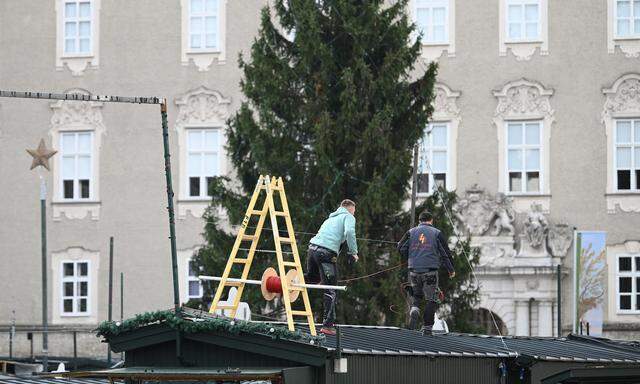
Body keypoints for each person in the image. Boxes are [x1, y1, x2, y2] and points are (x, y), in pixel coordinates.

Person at [305, 199, 359, 335]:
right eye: (354, 211)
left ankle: (285, 282)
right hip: (326, 254)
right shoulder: (348, 216)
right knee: (331, 288)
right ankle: (328, 326)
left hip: (312, 250)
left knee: (312, 278)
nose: (354, 213)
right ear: (350, 209)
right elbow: (350, 232)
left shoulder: (330, 219)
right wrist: (354, 252)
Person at [397, 210, 455, 335]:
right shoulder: (436, 233)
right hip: (430, 271)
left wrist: (411, 257)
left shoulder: (411, 232)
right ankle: (427, 328)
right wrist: (451, 270)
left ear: (419, 221)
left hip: (413, 270)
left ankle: (415, 308)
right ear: (431, 220)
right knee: (432, 298)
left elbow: (400, 247)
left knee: (417, 295)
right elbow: (446, 254)